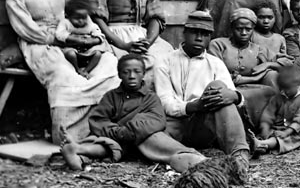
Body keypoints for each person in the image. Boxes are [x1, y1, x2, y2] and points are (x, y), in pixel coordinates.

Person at [5, 0, 119, 143]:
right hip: (40, 44)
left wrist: (94, 36)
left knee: (109, 63)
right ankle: (70, 136)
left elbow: (82, 16)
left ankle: (104, 127)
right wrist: (59, 40)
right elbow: (26, 29)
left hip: (72, 38)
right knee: (64, 74)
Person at [61, 54, 205, 172]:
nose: (131, 76)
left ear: (143, 74)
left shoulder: (150, 97)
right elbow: (98, 120)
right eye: (126, 72)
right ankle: (78, 152)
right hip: (117, 140)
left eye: (136, 72)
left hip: (142, 137)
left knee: (158, 139)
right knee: (105, 145)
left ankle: (187, 157)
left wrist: (131, 130)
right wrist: (118, 132)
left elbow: (157, 120)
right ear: (119, 74)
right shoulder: (111, 96)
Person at [153, 11, 251, 177]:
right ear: (184, 33)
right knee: (150, 135)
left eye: (205, 34)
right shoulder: (165, 60)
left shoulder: (215, 63)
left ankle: (239, 157)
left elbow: (229, 95)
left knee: (218, 87)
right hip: (175, 126)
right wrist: (194, 106)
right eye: (194, 32)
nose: (199, 38)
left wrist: (235, 96)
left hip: (203, 126)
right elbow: (165, 101)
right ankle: (192, 158)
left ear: (210, 38)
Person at [207, 8, 278, 124]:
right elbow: (215, 73)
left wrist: (267, 64)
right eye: (239, 29)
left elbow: (287, 61)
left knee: (272, 75)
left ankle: (268, 124)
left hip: (252, 88)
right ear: (232, 28)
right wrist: (254, 78)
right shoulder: (218, 44)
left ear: (253, 29)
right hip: (227, 88)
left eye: (248, 29)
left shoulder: (258, 49)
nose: (244, 33)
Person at [252, 64, 300, 155]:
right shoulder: (278, 97)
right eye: (283, 89)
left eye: (289, 89)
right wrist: (265, 128)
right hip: (276, 129)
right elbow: (268, 113)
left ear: (297, 85)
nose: (286, 92)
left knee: (287, 140)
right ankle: (261, 144)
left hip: (294, 132)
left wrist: (286, 132)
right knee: (266, 135)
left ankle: (263, 144)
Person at [54, 0, 111, 77]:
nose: (81, 21)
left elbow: (97, 31)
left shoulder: (88, 22)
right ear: (68, 16)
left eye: (84, 18)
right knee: (70, 54)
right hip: (72, 47)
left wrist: (93, 40)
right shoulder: (65, 22)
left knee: (98, 54)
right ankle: (77, 69)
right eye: (77, 18)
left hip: (87, 49)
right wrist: (74, 39)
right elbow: (59, 34)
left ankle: (86, 70)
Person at [251, 1, 292, 67]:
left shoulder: (280, 38)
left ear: (275, 18)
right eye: (261, 17)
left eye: (270, 17)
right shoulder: (251, 35)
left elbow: (284, 60)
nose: (266, 21)